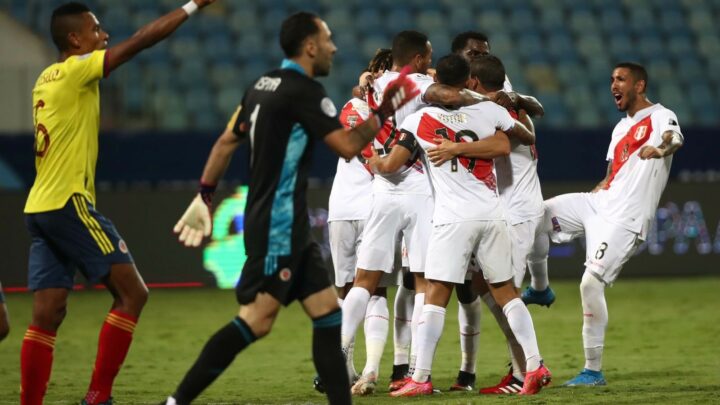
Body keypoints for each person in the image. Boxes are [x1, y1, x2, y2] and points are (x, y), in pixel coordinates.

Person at [163, 12, 419, 404]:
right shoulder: (305, 93)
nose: (334, 47)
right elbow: (349, 146)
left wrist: (205, 193)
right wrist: (383, 111)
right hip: (277, 225)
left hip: (291, 226)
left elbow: (225, 143)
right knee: (257, 320)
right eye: (328, 39)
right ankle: (176, 400)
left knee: (328, 317)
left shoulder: (259, 86)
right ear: (310, 46)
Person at [22, 2, 216, 404]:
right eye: (95, 29)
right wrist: (193, 5)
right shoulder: (77, 71)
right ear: (74, 39)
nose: (103, 35)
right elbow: (141, 42)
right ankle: (98, 398)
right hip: (67, 203)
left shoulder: (45, 78)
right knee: (134, 294)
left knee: (48, 314)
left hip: (39, 208)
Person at [385, 54, 551, 397]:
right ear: (468, 80)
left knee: (434, 294)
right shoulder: (488, 112)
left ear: (437, 83)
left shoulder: (420, 120)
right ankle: (535, 366)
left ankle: (421, 378)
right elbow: (511, 141)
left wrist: (373, 158)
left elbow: (393, 164)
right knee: (506, 292)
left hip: (453, 219)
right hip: (492, 214)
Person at [339, 30, 481, 395]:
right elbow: (446, 94)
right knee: (423, 282)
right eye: (428, 57)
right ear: (418, 59)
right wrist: (479, 98)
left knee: (365, 280)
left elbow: (362, 95)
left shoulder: (372, 85)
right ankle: (417, 372)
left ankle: (337, 351)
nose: (431, 63)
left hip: (382, 190)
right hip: (420, 189)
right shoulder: (416, 83)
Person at [542, 62, 683, 386]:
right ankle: (539, 288)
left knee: (590, 284)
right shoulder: (620, 128)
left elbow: (674, 139)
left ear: (639, 85)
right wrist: (593, 193)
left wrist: (659, 149)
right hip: (599, 204)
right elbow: (611, 176)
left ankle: (592, 370)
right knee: (535, 217)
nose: (613, 85)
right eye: (611, 80)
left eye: (620, 79)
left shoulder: (661, 114)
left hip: (626, 218)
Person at [322, 48, 395, 391]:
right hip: (343, 209)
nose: (383, 76)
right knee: (346, 287)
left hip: (374, 209)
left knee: (372, 287)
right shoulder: (355, 109)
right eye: (379, 70)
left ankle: (370, 369)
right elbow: (362, 151)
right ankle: (347, 370)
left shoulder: (398, 114)